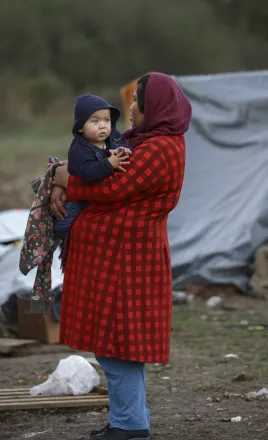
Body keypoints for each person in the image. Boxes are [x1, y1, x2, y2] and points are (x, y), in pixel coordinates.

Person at [50, 73, 192, 440]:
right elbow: (98, 166)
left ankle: (130, 426)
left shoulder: (162, 148)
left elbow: (114, 185)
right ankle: (128, 421)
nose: (129, 107)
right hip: (119, 258)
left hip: (130, 260)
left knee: (120, 346)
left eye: (137, 100)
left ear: (154, 106)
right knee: (115, 344)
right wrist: (59, 176)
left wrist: (65, 180)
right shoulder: (143, 140)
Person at [53, 94, 131, 239]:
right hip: (78, 195)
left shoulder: (113, 137)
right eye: (95, 121)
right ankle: (57, 240)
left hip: (98, 197)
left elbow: (123, 144)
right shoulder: (79, 149)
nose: (103, 125)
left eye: (107, 120)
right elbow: (87, 173)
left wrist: (123, 150)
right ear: (80, 127)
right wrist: (109, 163)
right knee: (64, 223)